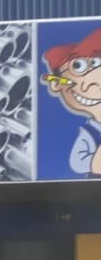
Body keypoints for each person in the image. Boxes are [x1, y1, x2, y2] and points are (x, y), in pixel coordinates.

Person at [42, 27, 101, 177]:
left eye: (96, 63)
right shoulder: (90, 134)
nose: (92, 84)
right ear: (57, 83)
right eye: (78, 67)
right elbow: (78, 163)